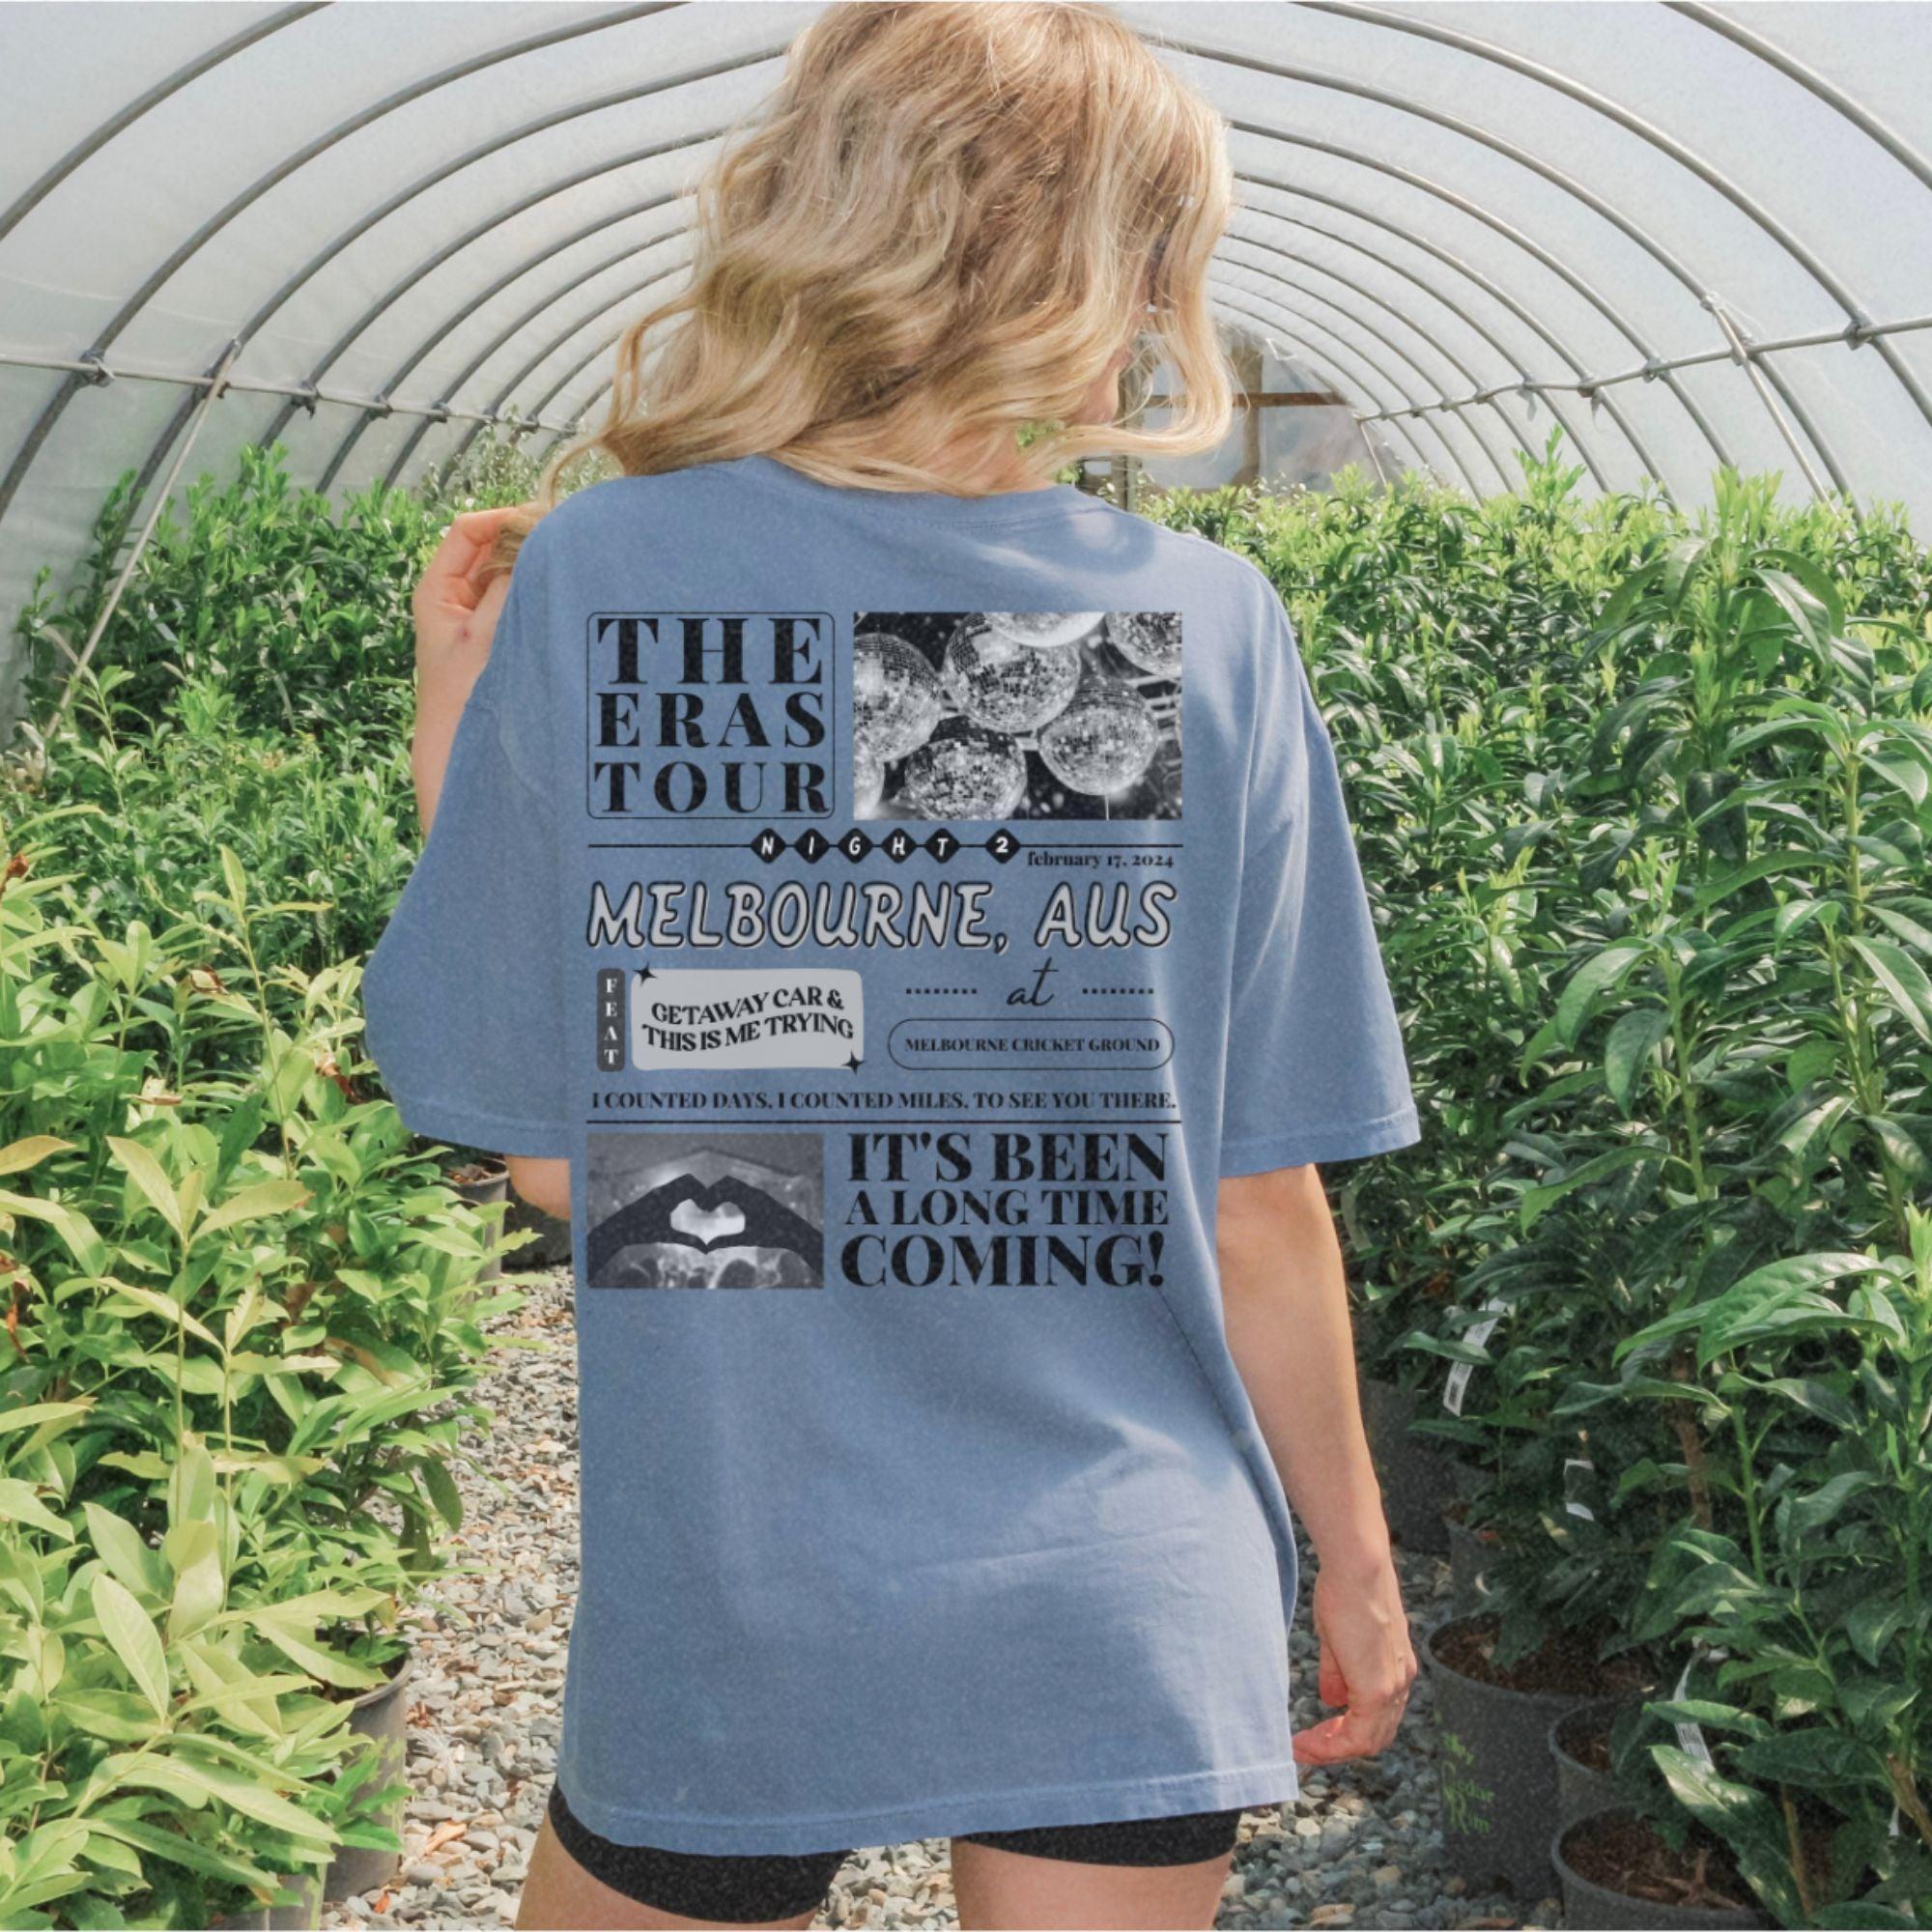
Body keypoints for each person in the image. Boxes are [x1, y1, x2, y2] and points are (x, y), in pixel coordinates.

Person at [364, 5, 1422, 1926]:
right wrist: (1348, 1554)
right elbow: (1252, 1198)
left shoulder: (610, 577)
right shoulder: (1204, 622)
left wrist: (469, 774)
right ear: (1123, 265)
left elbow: (559, 1150)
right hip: (1122, 1574)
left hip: (749, 1576)